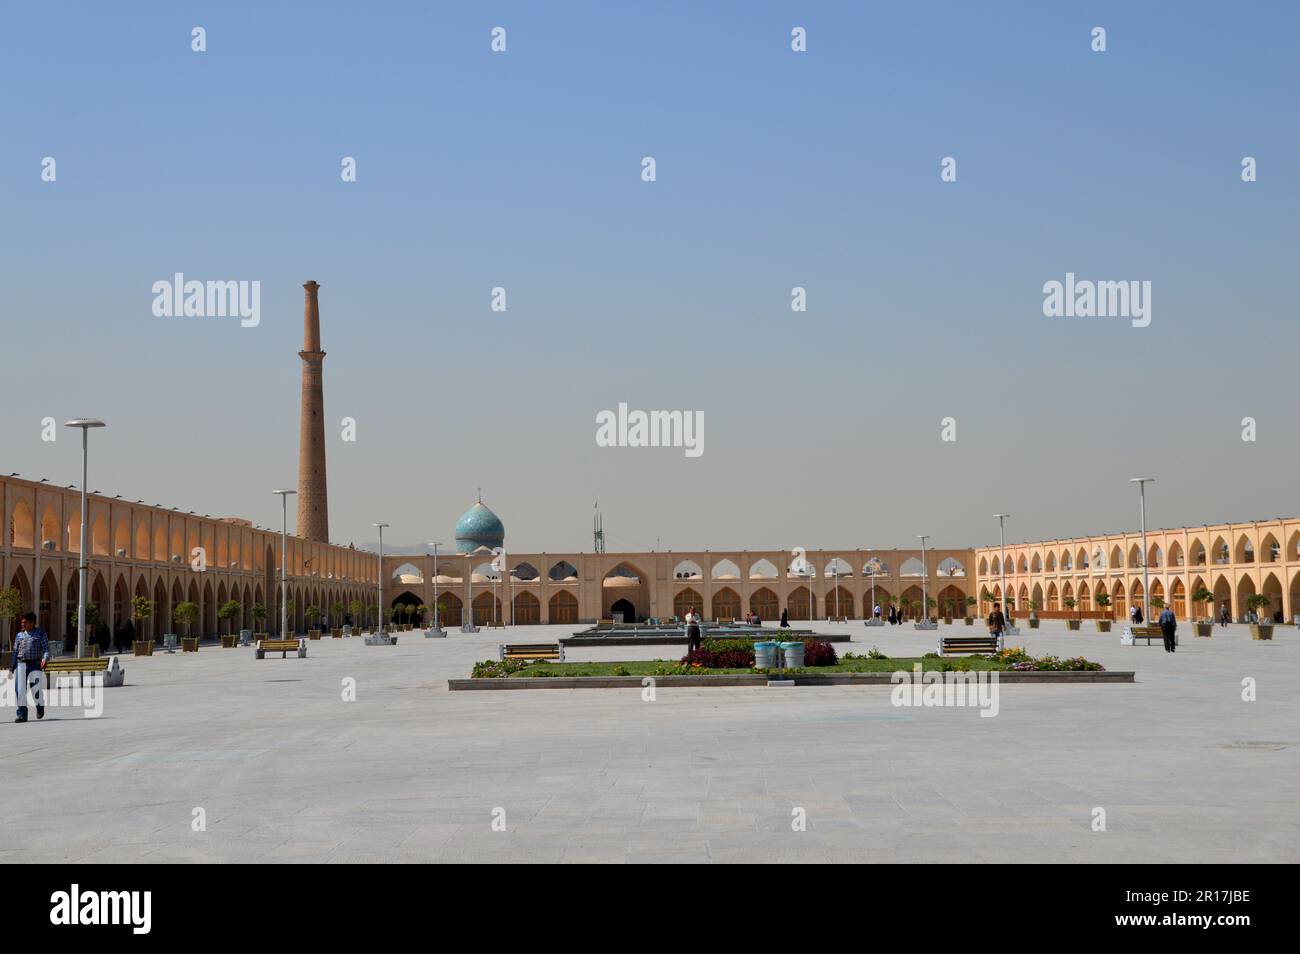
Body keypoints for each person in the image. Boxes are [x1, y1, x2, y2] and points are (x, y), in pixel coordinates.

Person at [9, 612, 48, 723]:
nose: (23, 624)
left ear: (32, 622)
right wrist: (11, 667)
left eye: (25, 622)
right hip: (21, 664)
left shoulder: (41, 633)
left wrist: (44, 659)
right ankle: (22, 714)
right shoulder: (19, 635)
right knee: (20, 690)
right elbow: (15, 652)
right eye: (22, 622)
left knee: (35, 689)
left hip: (35, 664)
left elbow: (45, 649)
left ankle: (40, 707)